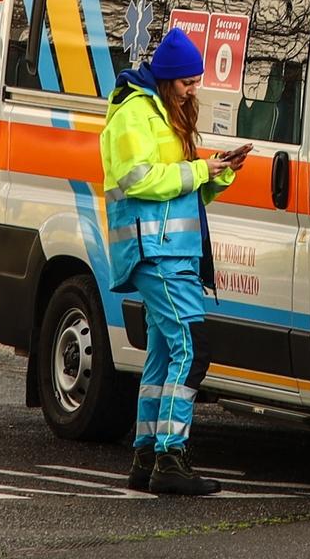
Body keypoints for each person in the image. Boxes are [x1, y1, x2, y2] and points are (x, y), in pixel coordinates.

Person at [100, 25, 249, 496]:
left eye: (196, 81)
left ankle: (147, 455)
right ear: (166, 79)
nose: (193, 89)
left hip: (172, 250)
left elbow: (183, 191)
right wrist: (201, 168)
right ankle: (171, 456)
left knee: (165, 354)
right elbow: (139, 180)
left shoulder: (164, 113)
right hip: (155, 251)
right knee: (192, 348)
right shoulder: (133, 114)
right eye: (187, 82)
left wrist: (218, 173)